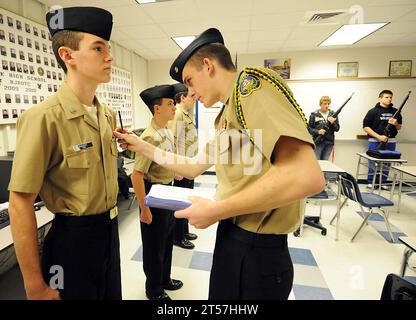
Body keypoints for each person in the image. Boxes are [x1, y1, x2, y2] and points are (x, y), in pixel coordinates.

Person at [114, 28, 325, 300]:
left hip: (258, 247)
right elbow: (192, 165)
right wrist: (141, 145)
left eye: (190, 81)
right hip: (235, 236)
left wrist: (217, 209)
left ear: (208, 65)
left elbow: (305, 176)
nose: (190, 93)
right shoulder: (228, 114)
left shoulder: (250, 86)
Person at [7, 7, 121, 300]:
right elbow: (20, 203)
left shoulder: (105, 115)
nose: (109, 56)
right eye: (98, 48)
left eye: (107, 48)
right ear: (67, 56)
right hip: (72, 243)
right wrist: (35, 286)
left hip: (110, 233)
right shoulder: (44, 117)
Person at [131, 84, 183, 300]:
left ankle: (164, 279)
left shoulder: (166, 131)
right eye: (170, 103)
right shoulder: (149, 136)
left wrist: (175, 171)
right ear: (157, 108)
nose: (174, 107)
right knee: (154, 247)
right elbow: (137, 175)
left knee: (167, 240)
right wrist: (144, 209)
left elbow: (167, 158)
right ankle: (153, 290)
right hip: (153, 195)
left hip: (167, 192)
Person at [169, 83, 198, 250]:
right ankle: (177, 237)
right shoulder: (178, 114)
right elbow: (176, 140)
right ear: (182, 97)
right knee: (181, 203)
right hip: (183, 166)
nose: (194, 100)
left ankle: (184, 231)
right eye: (192, 96)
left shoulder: (186, 114)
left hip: (188, 165)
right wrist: (177, 167)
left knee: (187, 201)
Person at [363, 89, 402, 188]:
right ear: (380, 98)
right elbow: (366, 127)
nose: (389, 99)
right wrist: (379, 137)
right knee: (373, 162)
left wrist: (396, 123)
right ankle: (371, 182)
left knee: (387, 163)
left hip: (391, 141)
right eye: (387, 97)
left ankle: (383, 182)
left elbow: (399, 127)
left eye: (390, 97)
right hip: (375, 141)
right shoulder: (372, 111)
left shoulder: (395, 112)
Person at [308, 96, 340, 160]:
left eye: (328, 104)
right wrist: (318, 131)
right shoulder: (314, 115)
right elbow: (309, 128)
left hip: (329, 143)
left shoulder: (333, 114)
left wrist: (333, 122)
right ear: (320, 104)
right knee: (317, 162)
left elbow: (337, 129)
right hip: (318, 142)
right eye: (325, 104)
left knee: (325, 163)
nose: (327, 105)